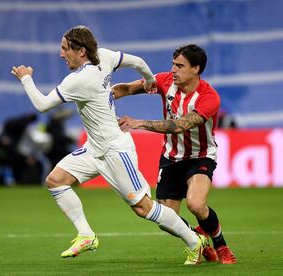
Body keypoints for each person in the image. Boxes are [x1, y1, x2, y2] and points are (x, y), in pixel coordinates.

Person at [11, 26, 207, 265]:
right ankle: (86, 235)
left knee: (144, 208)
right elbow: (137, 61)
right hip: (95, 148)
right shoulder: (104, 56)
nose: (61, 54)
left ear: (81, 51)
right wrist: (148, 80)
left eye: (65, 49)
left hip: (115, 150)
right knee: (56, 180)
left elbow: (42, 105)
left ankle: (194, 241)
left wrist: (26, 78)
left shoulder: (78, 80)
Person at [114, 44, 237, 264]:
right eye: (173, 64)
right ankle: (198, 240)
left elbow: (180, 125)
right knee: (166, 219)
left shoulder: (209, 98)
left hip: (200, 156)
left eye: (180, 66)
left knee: (196, 204)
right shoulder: (164, 81)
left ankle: (222, 245)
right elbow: (127, 89)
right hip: (171, 158)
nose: (173, 70)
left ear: (196, 69)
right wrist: (100, 96)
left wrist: (140, 122)